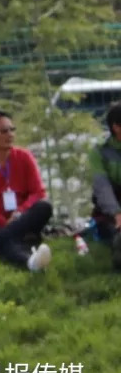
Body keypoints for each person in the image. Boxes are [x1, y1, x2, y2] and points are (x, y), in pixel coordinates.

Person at [0, 110, 53, 271]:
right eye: (4, 131)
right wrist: (3, 222)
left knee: (44, 206)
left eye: (12, 130)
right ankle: (29, 261)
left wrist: (19, 213)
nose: (10, 135)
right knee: (7, 238)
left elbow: (38, 192)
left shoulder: (24, 156)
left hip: (21, 217)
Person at [87, 102, 121, 269]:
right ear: (116, 127)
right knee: (114, 231)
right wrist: (117, 214)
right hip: (111, 208)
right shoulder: (100, 151)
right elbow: (102, 187)